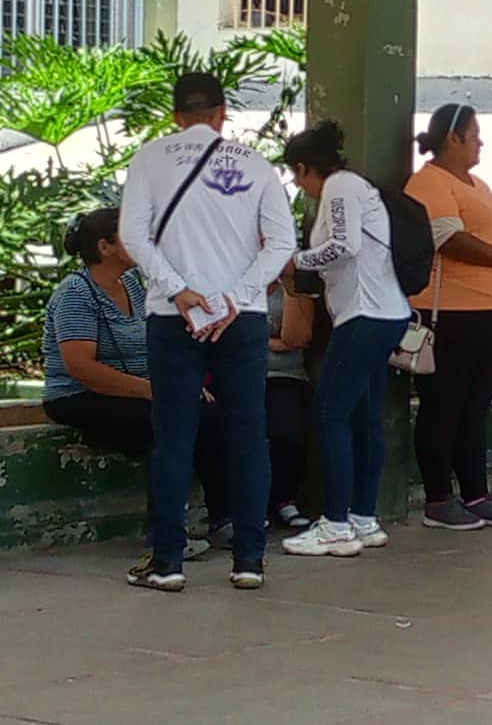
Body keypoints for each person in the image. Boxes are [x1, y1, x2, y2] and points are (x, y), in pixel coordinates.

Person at [119, 72, 296, 592]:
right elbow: (281, 243)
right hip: (241, 321)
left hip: (174, 319)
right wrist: (236, 295)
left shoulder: (150, 159)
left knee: (174, 436)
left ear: (176, 115)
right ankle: (249, 561)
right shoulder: (256, 164)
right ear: (222, 112)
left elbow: (132, 235)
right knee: (249, 435)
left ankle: (169, 562)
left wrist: (178, 289)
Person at [42, 208, 231, 559]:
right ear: (106, 247)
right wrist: (152, 391)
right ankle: (164, 535)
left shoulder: (132, 284)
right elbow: (81, 368)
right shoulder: (76, 294)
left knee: (209, 414)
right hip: (79, 396)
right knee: (163, 426)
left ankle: (224, 518)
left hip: (136, 390)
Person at [279, 121, 410, 558]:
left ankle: (335, 523)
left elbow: (344, 244)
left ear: (304, 168)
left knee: (330, 412)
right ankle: (361, 516)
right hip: (384, 314)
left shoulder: (339, 188)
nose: (301, 186)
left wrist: (296, 260)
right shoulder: (357, 188)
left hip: (364, 316)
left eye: (298, 177)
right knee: (363, 416)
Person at [405, 104, 492, 531]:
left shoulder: (478, 183)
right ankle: (439, 499)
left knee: (475, 410)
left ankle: (477, 494)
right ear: (453, 138)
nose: (481, 142)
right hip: (453, 317)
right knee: (444, 407)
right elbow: (448, 237)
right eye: (474, 135)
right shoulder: (429, 181)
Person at [266, 281, 315, 530]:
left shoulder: (293, 286)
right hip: (238, 373)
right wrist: (274, 342)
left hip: (286, 374)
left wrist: (257, 341)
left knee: (287, 430)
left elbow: (296, 338)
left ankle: (284, 499)